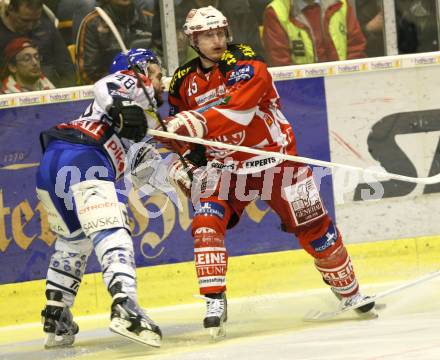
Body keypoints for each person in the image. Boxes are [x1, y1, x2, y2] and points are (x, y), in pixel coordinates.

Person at [163, 5, 377, 338]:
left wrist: (198, 121)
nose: (217, 41)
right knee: (206, 223)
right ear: (193, 40)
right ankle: (214, 301)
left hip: (278, 164)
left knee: (316, 228)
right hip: (226, 171)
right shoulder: (182, 82)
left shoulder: (248, 64)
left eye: (221, 33)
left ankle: (349, 292)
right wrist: (186, 159)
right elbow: (179, 134)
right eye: (208, 36)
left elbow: (241, 113)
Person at [36, 48, 164, 348]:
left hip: (52, 165)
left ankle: (56, 315)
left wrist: (183, 155)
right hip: (84, 158)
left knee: (73, 240)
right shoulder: (133, 87)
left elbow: (143, 174)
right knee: (113, 229)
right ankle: (126, 306)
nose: (161, 83)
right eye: (157, 75)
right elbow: (107, 85)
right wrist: (121, 106)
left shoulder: (146, 122)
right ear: (143, 71)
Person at [262, 0, 366, 66]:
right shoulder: (276, 12)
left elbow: (356, 49)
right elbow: (281, 65)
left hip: (342, 84)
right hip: (301, 92)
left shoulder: (340, 3)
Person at [0, 0, 76, 87]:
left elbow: (66, 67)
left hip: (51, 90)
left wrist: (64, 94)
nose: (30, 26)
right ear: (10, 10)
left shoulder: (46, 25)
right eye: (25, 20)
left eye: (35, 21)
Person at [76, 0, 153, 84]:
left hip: (150, 88)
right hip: (110, 91)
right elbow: (89, 73)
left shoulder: (149, 20)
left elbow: (163, 63)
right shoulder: (93, 23)